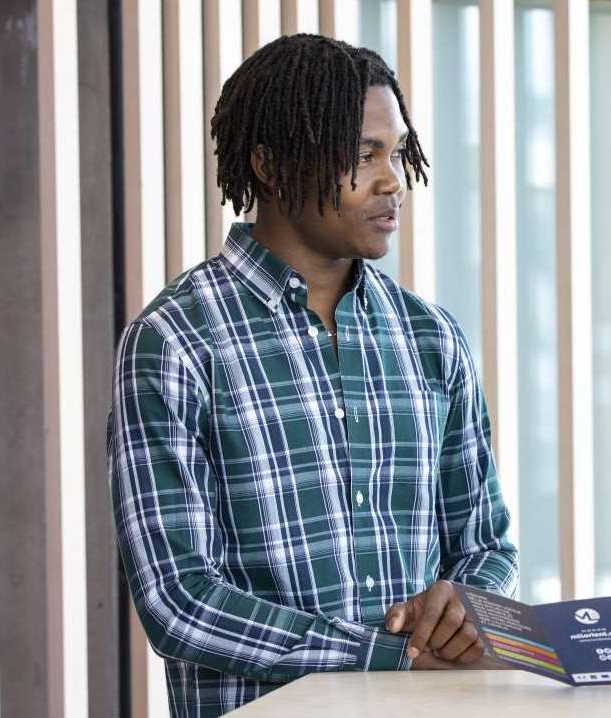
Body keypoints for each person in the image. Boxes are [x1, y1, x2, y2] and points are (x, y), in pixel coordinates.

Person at [109, 35, 517, 716]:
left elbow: (484, 546)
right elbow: (177, 599)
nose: (393, 181)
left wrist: (466, 607)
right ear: (269, 166)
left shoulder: (431, 338)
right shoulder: (175, 341)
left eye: (397, 154)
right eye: (363, 155)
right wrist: (382, 652)